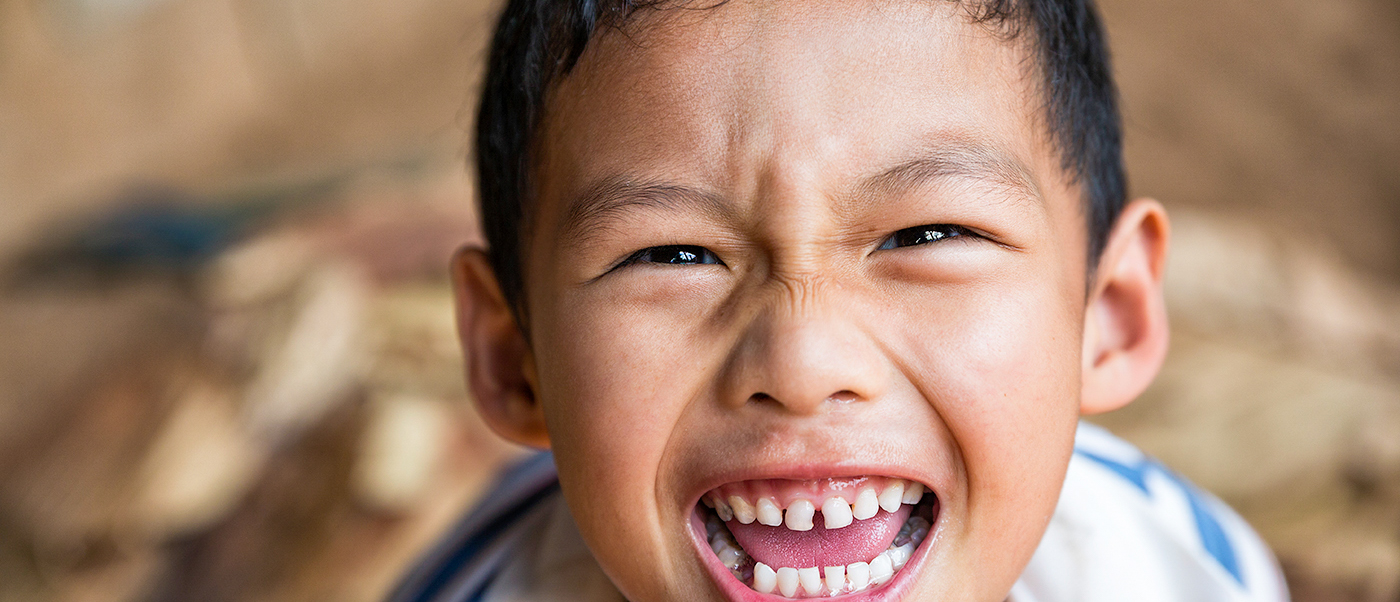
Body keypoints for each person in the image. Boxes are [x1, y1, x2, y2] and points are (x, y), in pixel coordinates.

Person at [390, 0, 1290, 600]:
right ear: (515, 359)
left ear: (1110, 315)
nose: (803, 363)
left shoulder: (1176, 569)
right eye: (673, 253)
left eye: (930, 236)